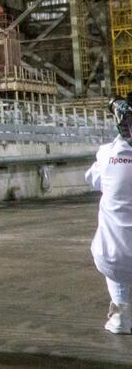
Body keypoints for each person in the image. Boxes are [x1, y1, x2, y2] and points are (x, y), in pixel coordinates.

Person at [85, 94, 132, 334]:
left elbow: (92, 180)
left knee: (112, 247)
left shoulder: (106, 155)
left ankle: (121, 317)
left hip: (113, 258)